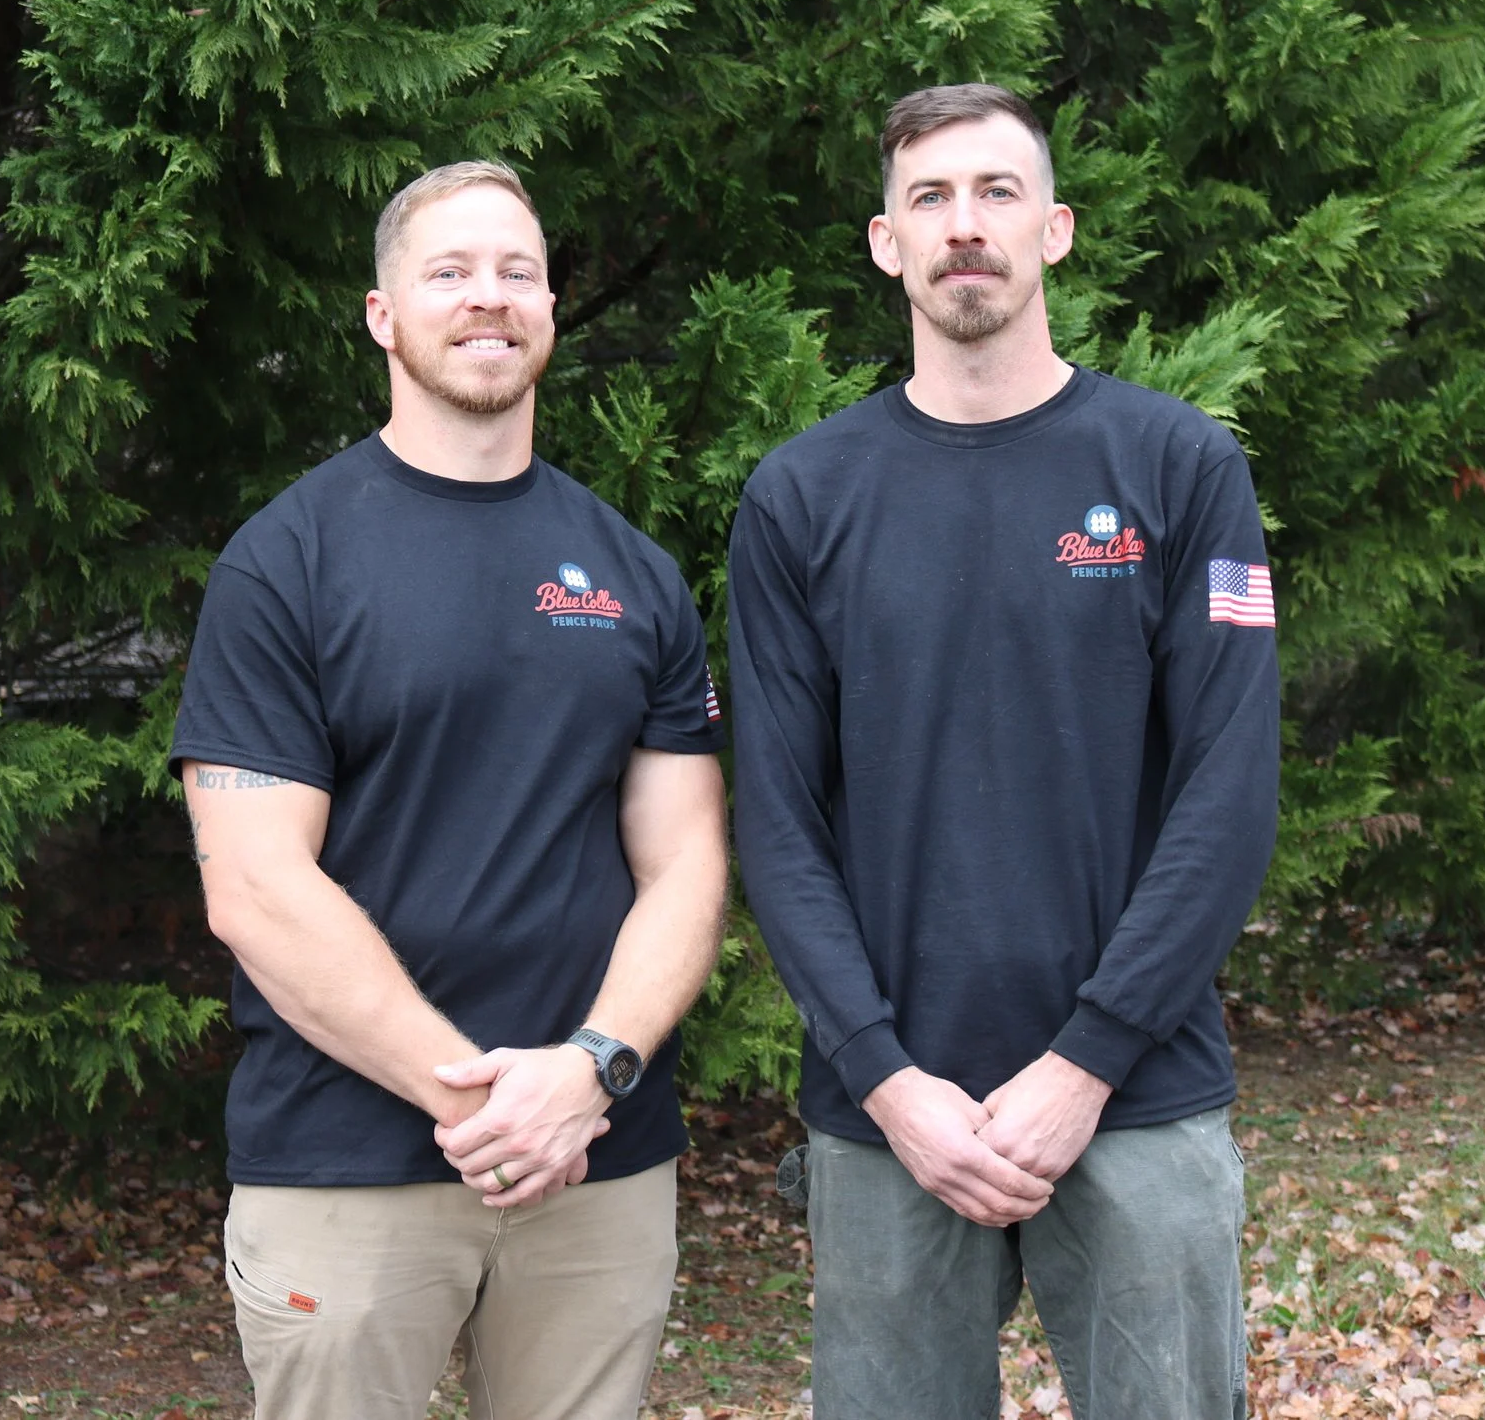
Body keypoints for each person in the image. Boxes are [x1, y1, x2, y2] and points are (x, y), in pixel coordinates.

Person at [729, 84, 1280, 1420]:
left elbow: (1228, 790)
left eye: (994, 193)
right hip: (890, 1114)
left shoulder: (1178, 463)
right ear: (884, 242)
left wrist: (1088, 1057)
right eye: (929, 198)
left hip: (1138, 1090)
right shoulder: (801, 496)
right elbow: (777, 818)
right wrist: (884, 1072)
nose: (962, 226)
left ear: (1055, 230)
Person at [172, 160, 729, 1420]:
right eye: (451, 272)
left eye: (518, 271)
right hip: (348, 1162)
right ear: (383, 315)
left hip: (599, 1159)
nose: (491, 297)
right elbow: (254, 886)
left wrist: (588, 1073)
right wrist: (478, 1101)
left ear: (548, 308)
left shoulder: (632, 572)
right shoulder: (286, 562)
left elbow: (687, 863)